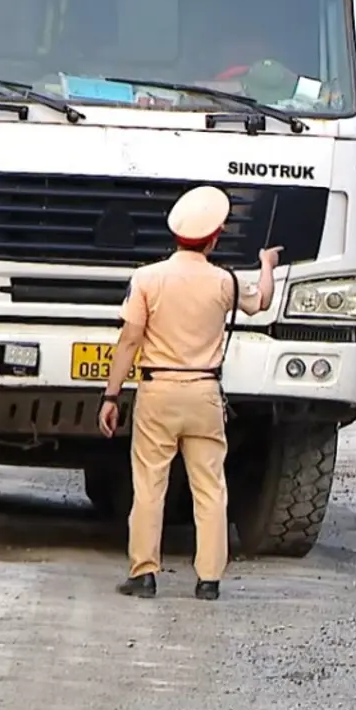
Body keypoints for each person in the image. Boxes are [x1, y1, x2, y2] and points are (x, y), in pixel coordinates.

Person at [98, 187, 279, 600]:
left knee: (149, 484)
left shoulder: (147, 279)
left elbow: (129, 340)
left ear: (176, 235)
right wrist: (266, 264)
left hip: (157, 390)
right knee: (210, 486)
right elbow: (262, 303)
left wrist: (111, 397)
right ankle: (209, 578)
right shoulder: (224, 281)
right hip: (204, 392)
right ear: (214, 237)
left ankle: (143, 572)